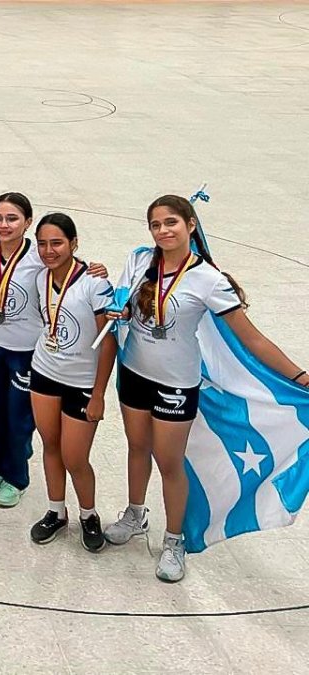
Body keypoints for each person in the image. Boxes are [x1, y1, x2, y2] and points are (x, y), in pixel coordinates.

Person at [104, 195, 309, 582]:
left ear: (191, 225)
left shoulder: (209, 280)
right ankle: (135, 514)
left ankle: (174, 539)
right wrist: (124, 310)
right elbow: (129, 302)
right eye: (155, 224)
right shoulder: (139, 260)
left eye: (171, 222)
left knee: (170, 463)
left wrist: (300, 377)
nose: (162, 231)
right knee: (136, 447)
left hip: (176, 384)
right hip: (133, 373)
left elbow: (252, 339)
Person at [26, 214, 117, 552]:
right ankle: (56, 511)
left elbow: (108, 341)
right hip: (44, 373)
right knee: (50, 446)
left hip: (81, 383)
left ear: (74, 243)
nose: (49, 251)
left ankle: (89, 515)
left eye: (57, 243)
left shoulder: (94, 283)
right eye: (43, 244)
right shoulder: (40, 278)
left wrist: (99, 394)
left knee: (75, 457)